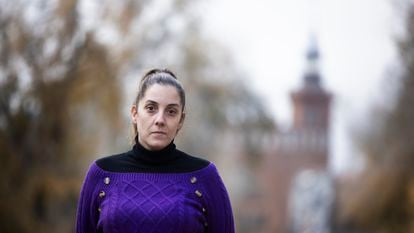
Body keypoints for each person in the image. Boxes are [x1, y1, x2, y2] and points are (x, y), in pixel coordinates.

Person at [76, 68, 235, 233]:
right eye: (151, 108)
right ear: (135, 113)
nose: (160, 120)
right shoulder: (102, 174)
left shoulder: (204, 177)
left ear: (181, 120)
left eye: (171, 111)